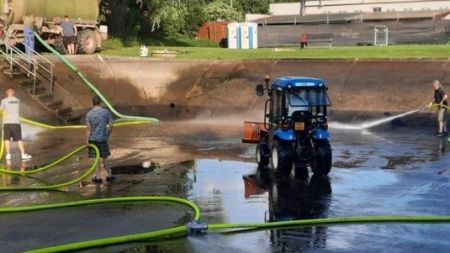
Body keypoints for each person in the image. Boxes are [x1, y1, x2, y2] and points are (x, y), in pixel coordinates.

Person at [86, 96, 115, 184]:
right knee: (105, 157)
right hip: (102, 139)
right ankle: (109, 175)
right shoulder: (105, 112)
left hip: (93, 139)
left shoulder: (89, 114)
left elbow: (88, 129)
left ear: (93, 103)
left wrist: (87, 141)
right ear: (100, 102)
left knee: (97, 158)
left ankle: (98, 177)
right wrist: (107, 135)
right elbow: (111, 125)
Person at [0, 88, 32, 161]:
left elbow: (1, 110)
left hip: (7, 123)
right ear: (13, 92)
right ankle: (23, 155)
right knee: (19, 139)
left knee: (7, 139)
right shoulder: (17, 100)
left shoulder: (4, 101)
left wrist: (3, 111)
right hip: (15, 123)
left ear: (6, 92)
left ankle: (8, 155)